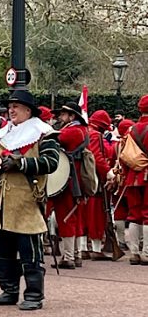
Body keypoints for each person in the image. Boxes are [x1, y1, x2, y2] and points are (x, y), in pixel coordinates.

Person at [0, 90, 60, 311]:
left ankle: (34, 294)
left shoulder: (44, 133)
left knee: (30, 254)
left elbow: (51, 162)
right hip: (3, 202)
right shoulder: (2, 134)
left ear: (28, 110)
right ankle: (9, 290)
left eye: (16, 106)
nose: (11, 110)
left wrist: (21, 163)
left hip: (28, 201)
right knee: (2, 253)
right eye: (10, 106)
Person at [47, 101, 89, 269]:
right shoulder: (82, 130)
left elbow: (51, 140)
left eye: (64, 114)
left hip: (69, 181)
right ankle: (76, 254)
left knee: (66, 218)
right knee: (74, 217)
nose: (60, 117)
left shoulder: (72, 131)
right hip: (75, 179)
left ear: (72, 116)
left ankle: (69, 257)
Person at [85, 110, 115, 260]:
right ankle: (96, 248)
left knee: (84, 214)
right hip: (95, 179)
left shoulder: (85, 131)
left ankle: (83, 247)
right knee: (96, 214)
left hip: (83, 178)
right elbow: (97, 157)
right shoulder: (95, 135)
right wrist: (108, 172)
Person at [123, 95, 148, 265]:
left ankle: (134, 253)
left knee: (134, 215)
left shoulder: (131, 130)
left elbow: (123, 156)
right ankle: (146, 252)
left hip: (132, 177)